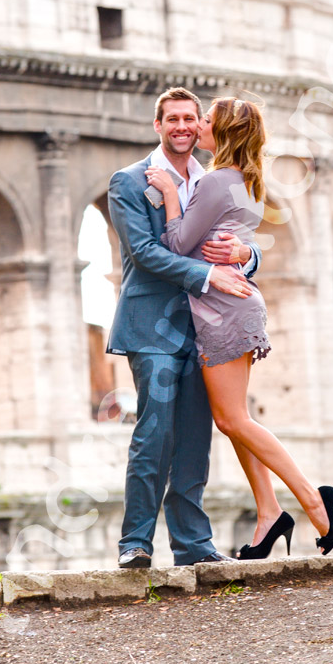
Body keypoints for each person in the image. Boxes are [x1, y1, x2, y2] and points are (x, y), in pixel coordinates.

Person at [145, 96, 333, 560]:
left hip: (223, 308)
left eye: (205, 119)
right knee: (235, 419)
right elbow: (237, 246)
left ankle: (314, 501)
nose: (197, 124)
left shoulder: (217, 181)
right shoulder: (247, 181)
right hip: (231, 305)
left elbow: (177, 242)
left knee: (233, 419)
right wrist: (244, 253)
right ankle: (268, 515)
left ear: (222, 132)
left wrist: (173, 196)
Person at [107, 87, 262, 569]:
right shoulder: (129, 182)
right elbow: (144, 252)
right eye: (171, 119)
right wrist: (207, 274)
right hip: (151, 324)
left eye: (190, 119)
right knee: (155, 433)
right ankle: (135, 543)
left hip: (206, 326)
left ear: (200, 126)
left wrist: (247, 256)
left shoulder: (215, 181)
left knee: (197, 436)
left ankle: (193, 545)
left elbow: (239, 241)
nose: (181, 127)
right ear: (158, 125)